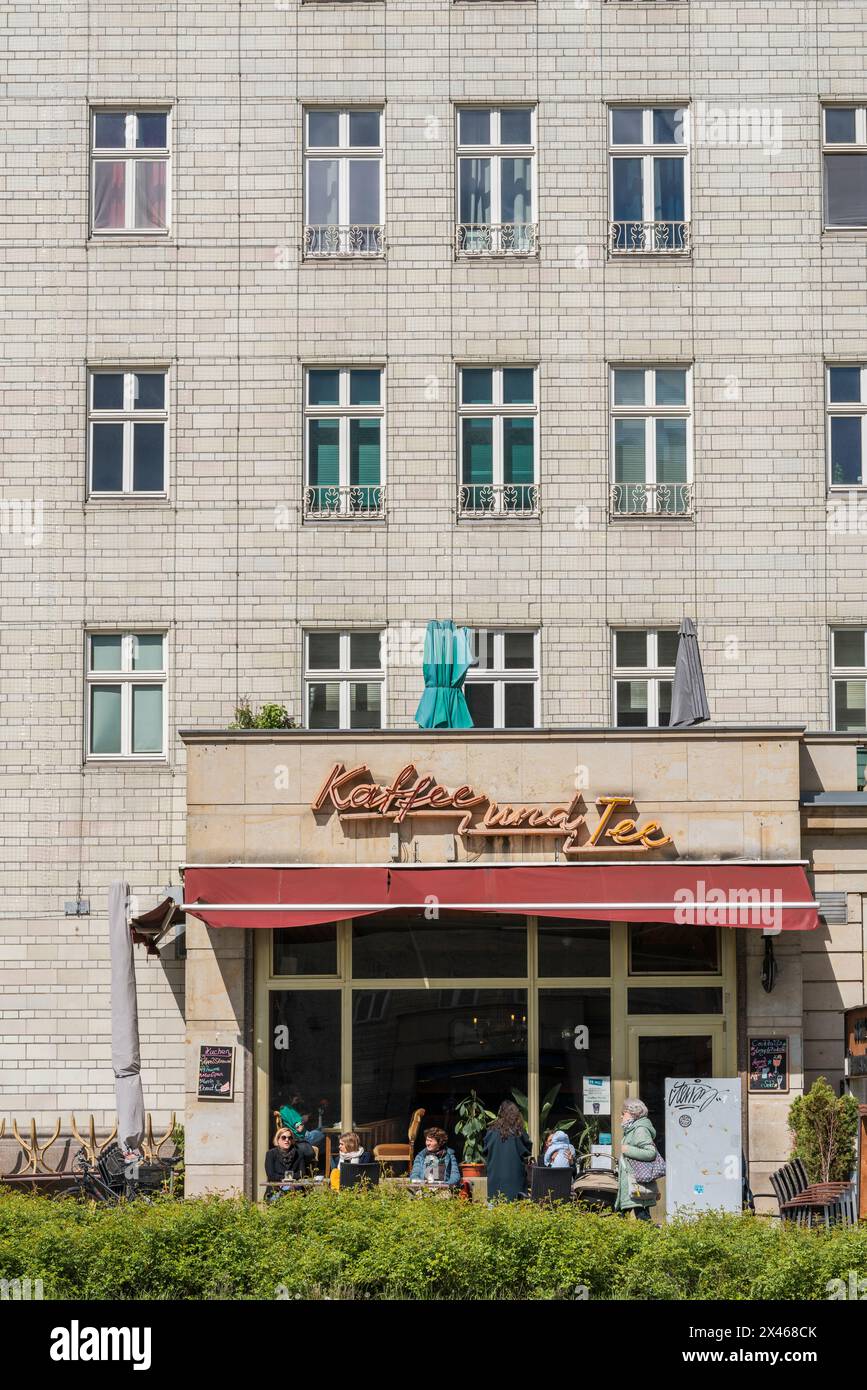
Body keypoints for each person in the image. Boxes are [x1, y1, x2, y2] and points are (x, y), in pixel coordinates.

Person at [614, 1098, 659, 1222]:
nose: (621, 1116)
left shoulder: (640, 1130)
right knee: (626, 1216)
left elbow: (650, 1153)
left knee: (641, 1217)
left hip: (636, 1183)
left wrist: (628, 1149)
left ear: (633, 1113)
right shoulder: (631, 1130)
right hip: (632, 1183)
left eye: (624, 1113)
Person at [483, 1101, 532, 1201]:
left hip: (495, 1180)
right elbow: (527, 1149)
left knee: (495, 1209)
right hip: (515, 1179)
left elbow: (485, 1151)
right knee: (516, 1210)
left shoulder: (491, 1131)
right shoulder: (518, 1132)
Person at [265, 1127, 312, 1199]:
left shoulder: (299, 1153)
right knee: (275, 1199)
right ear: (278, 1140)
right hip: (276, 1189)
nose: (287, 1140)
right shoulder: (271, 1154)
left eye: (289, 1138)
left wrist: (288, 1180)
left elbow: (302, 1173)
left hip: (295, 1189)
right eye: (284, 1137)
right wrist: (287, 1178)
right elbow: (271, 1175)